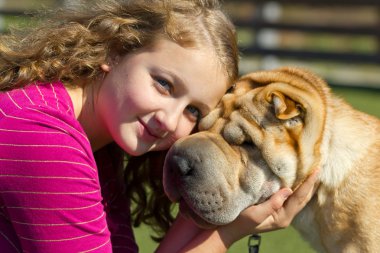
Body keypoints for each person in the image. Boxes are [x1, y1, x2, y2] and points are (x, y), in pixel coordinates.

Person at [0, 0, 319, 252]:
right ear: (117, 50)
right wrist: (229, 233)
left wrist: (208, 201)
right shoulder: (43, 137)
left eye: (193, 110)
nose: (168, 120)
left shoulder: (101, 139)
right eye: (164, 85)